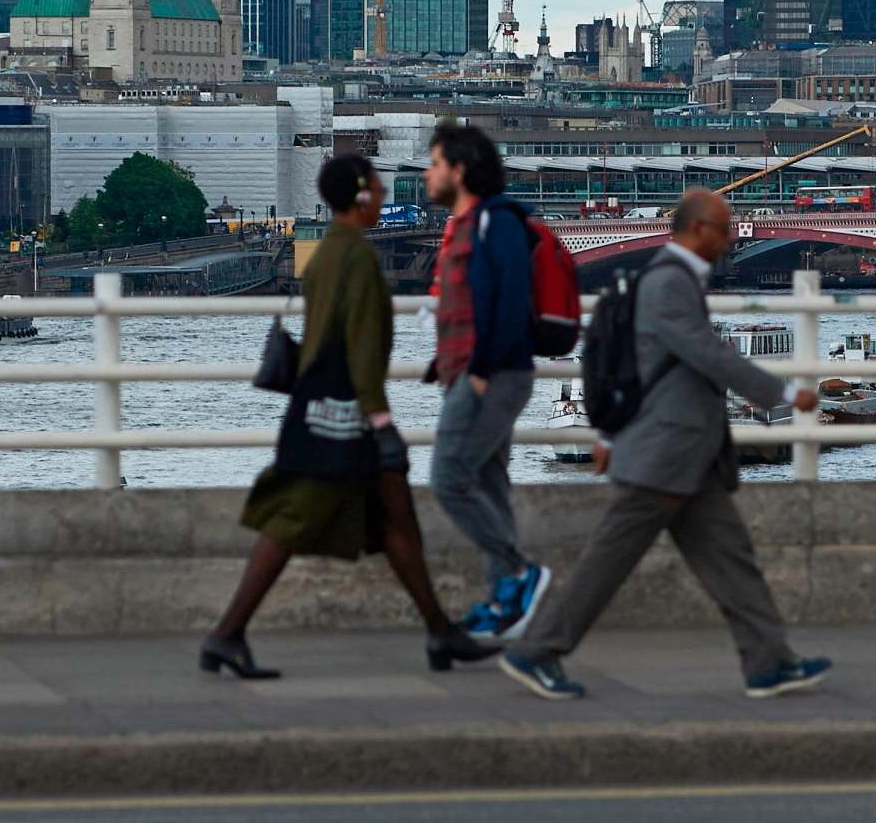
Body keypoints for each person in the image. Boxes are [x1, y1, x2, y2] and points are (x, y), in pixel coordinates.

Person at [500, 187, 831, 702]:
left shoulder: (671, 280)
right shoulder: (670, 284)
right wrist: (783, 393)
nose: (731, 238)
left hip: (685, 456)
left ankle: (769, 663)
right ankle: (536, 651)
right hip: (663, 454)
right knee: (605, 564)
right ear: (698, 229)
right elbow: (705, 354)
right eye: (723, 229)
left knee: (731, 561)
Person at [202, 154, 498, 679]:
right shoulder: (358, 260)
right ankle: (226, 635)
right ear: (360, 197)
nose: (383, 200)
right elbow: (362, 350)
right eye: (379, 192)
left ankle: (439, 632)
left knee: (394, 519)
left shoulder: (324, 255)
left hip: (319, 406)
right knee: (298, 523)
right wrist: (381, 421)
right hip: (343, 414)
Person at [423, 122, 551, 642]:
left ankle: (519, 572)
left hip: (492, 375)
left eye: (434, 164)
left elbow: (510, 301)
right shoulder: (465, 223)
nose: (428, 174)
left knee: (449, 478)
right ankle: (503, 603)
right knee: (490, 486)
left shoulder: (494, 223)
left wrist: (474, 374)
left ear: (459, 170)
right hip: (472, 373)